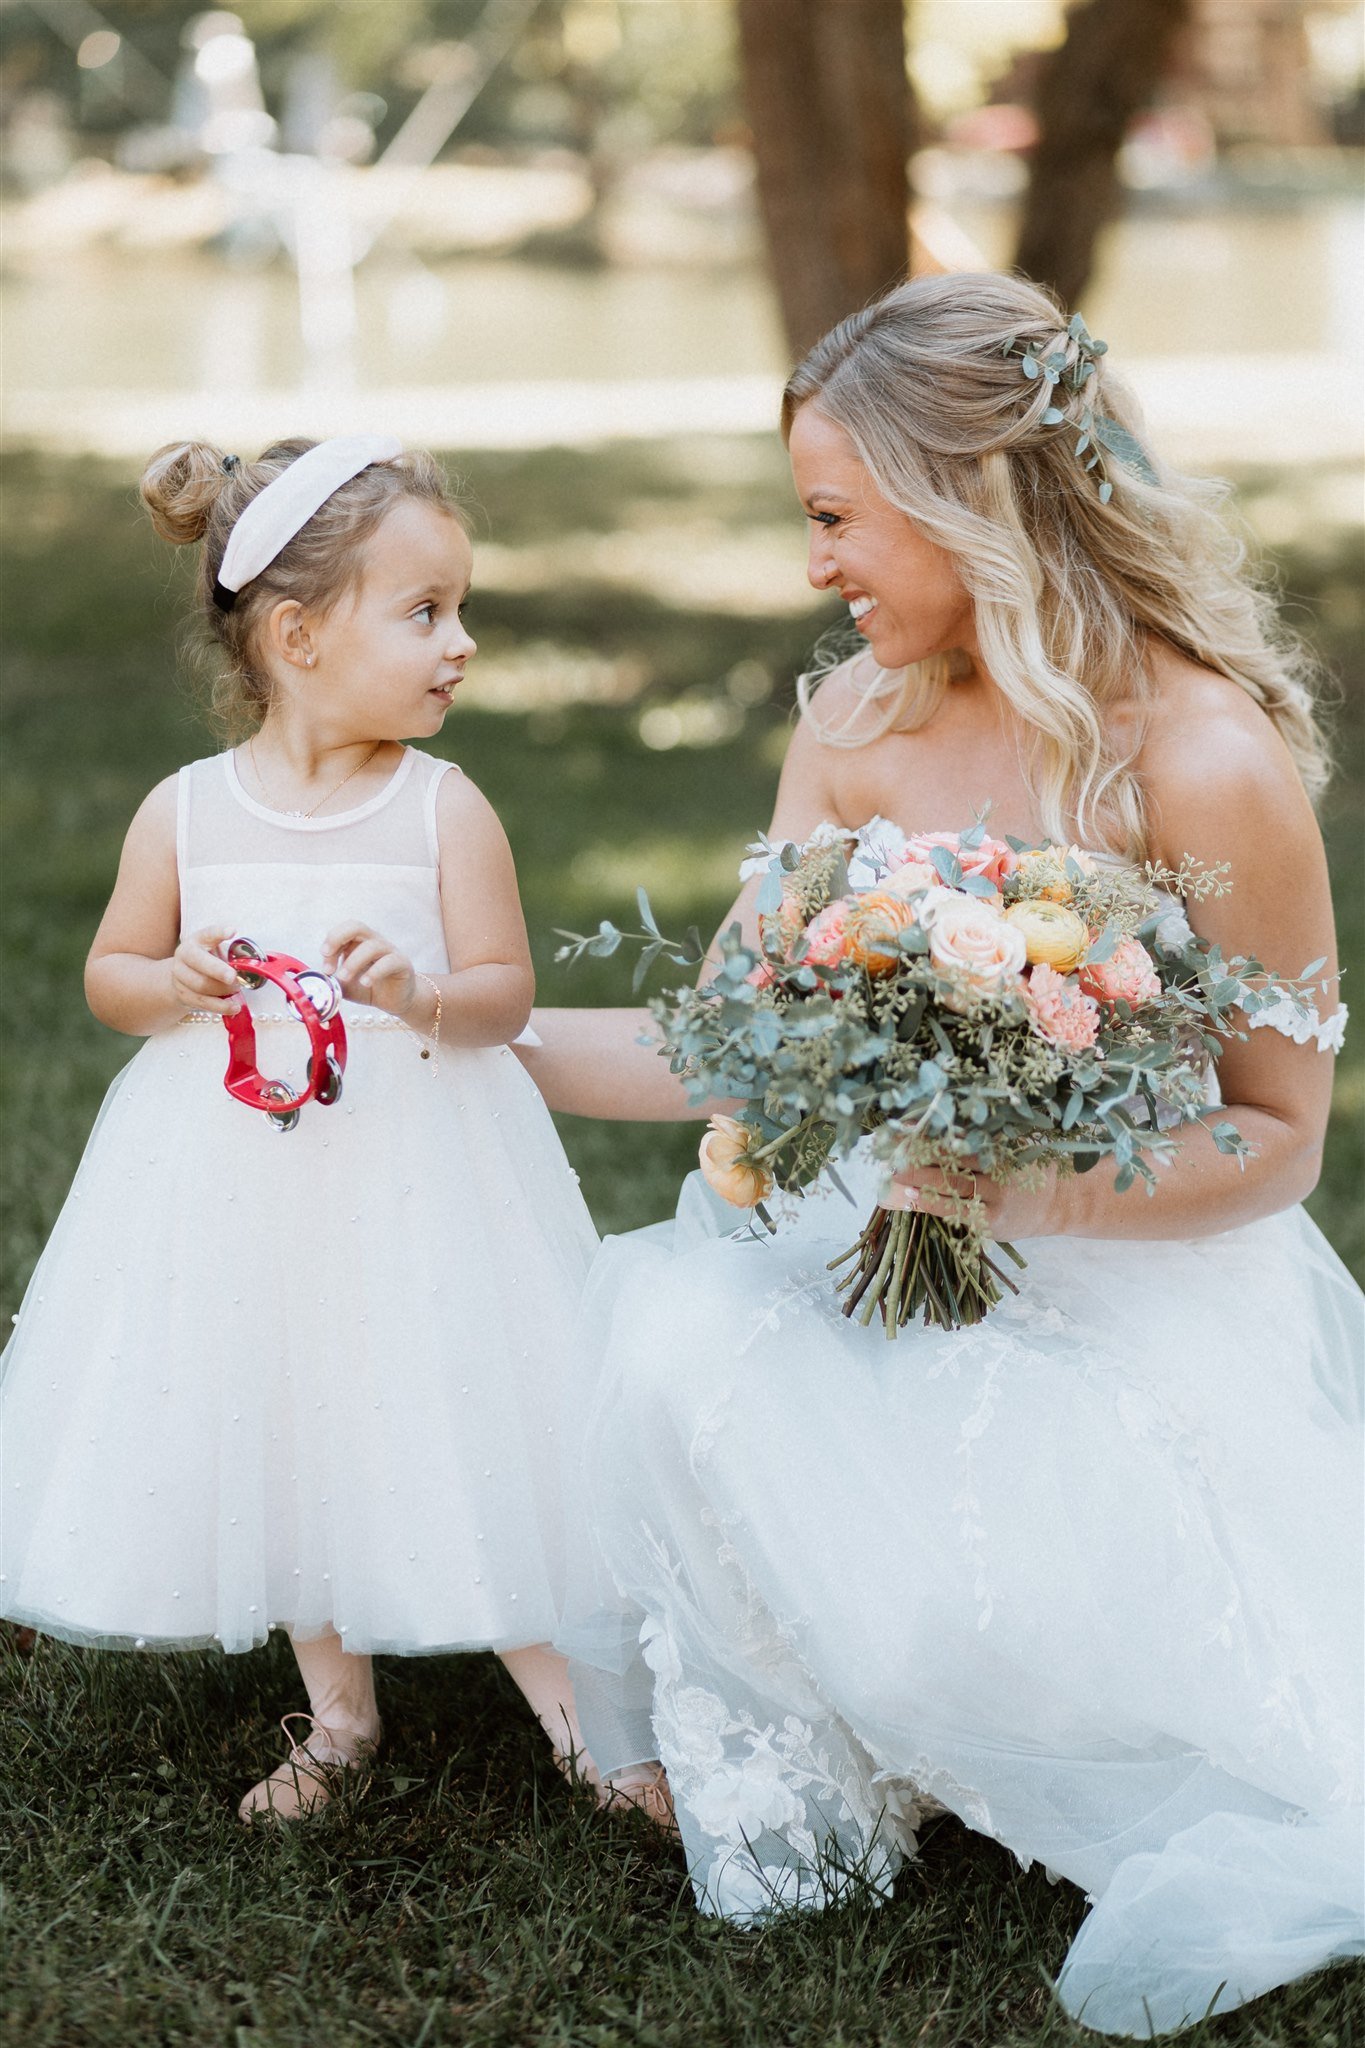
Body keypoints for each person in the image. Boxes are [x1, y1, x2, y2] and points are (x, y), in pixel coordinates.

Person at [519, 276, 1365, 2035]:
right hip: (856, 1220)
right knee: (667, 1331)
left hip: (1130, 1260)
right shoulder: (851, 722)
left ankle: (990, 1706)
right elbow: (730, 1040)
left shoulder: (1198, 758)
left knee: (1017, 1559)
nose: (815, 564)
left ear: (970, 495)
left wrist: (1015, 1188)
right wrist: (485, 1054)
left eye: (834, 516)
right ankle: (843, 1772)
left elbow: (1279, 1133)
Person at [0, 433, 662, 1825]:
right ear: (297, 637)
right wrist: (166, 983)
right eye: (424, 613)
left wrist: (422, 992)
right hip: (241, 1179)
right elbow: (110, 975)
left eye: (459, 610)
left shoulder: (441, 808)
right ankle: (338, 1711)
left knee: (463, 1402)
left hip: (423, 1176)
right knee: (286, 1411)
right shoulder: (186, 814)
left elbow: (502, 998)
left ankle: (581, 1720)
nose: (461, 645)